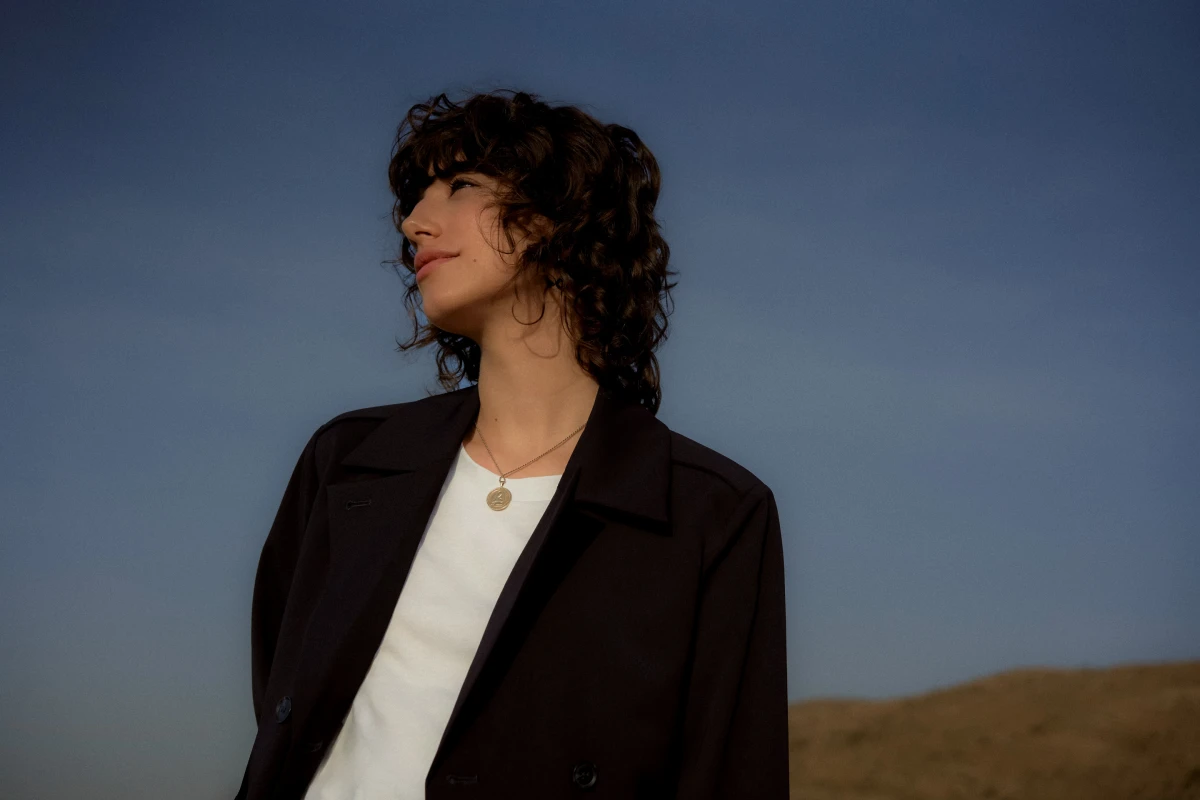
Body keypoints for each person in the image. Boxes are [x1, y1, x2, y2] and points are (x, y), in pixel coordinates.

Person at [235, 89, 789, 800]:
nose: (414, 222)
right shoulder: (346, 462)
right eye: (415, 199)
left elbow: (728, 777)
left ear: (556, 217)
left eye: (460, 185)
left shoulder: (712, 514)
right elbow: (286, 707)